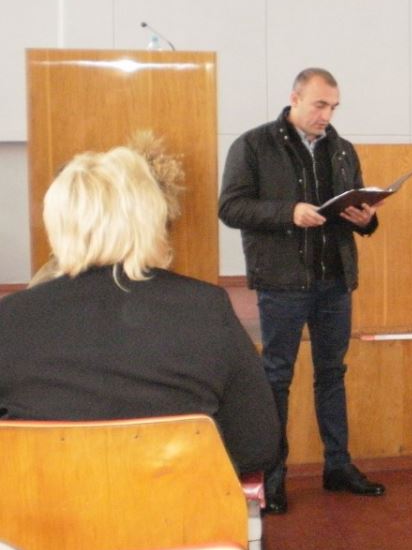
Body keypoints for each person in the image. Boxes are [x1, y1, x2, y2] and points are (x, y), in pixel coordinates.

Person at [0, 146, 280, 475]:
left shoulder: (11, 318)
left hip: (46, 506)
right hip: (176, 506)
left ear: (57, 224)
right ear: (151, 220)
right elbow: (258, 447)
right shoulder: (205, 308)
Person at [219, 67, 384, 512]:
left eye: (333, 107)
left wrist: (366, 220)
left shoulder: (342, 150)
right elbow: (230, 207)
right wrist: (288, 212)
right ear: (294, 98)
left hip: (334, 281)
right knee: (277, 378)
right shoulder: (253, 145)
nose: (327, 115)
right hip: (282, 282)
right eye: (319, 105)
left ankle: (338, 467)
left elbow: (356, 209)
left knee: (332, 374)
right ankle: (271, 478)